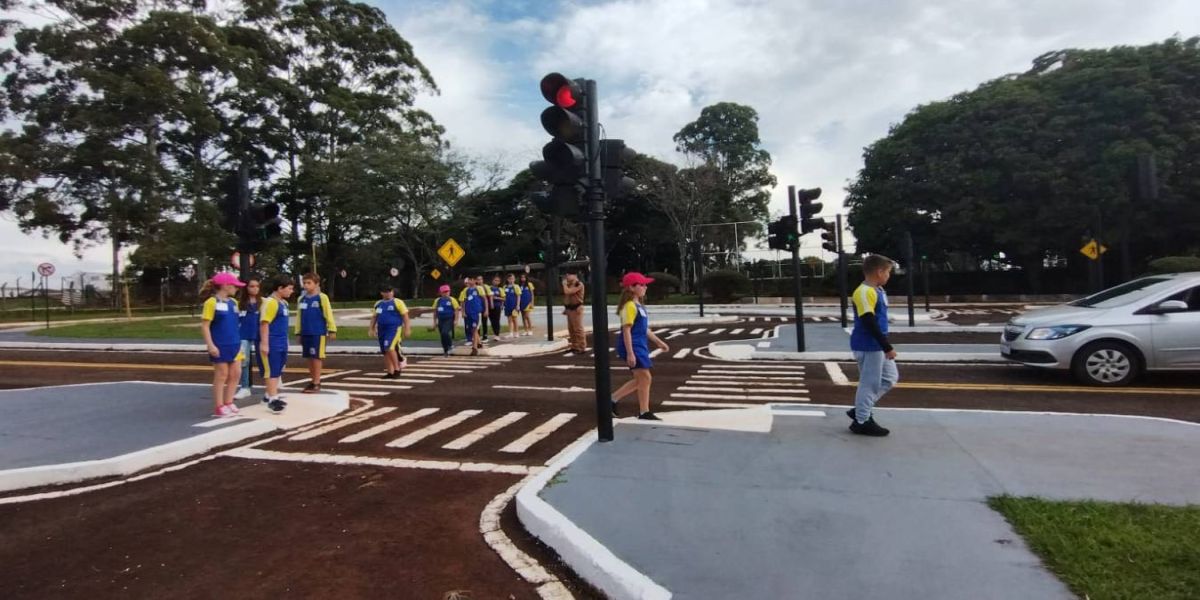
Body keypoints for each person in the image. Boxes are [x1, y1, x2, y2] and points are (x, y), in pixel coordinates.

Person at [848, 254, 898, 437]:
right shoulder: (863, 292)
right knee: (869, 384)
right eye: (888, 272)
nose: (889, 276)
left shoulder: (878, 290)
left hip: (876, 344)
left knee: (890, 378)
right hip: (868, 345)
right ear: (879, 271)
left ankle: (862, 408)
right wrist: (887, 347)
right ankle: (862, 421)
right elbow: (869, 321)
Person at [611, 272, 669, 420]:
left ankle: (613, 401)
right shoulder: (630, 306)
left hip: (639, 345)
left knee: (642, 379)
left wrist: (658, 342)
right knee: (645, 377)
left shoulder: (639, 306)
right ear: (631, 287)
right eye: (641, 285)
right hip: (633, 346)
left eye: (645, 285)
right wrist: (630, 353)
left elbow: (644, 328)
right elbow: (626, 330)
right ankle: (643, 411)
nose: (645, 287)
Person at [201, 272, 245, 417]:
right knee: (222, 374)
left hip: (235, 343)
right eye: (234, 286)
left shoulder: (233, 303)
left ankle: (229, 401)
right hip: (220, 343)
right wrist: (210, 345)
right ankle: (219, 406)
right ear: (225, 286)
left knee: (236, 373)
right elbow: (205, 326)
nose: (236, 289)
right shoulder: (211, 303)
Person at [259, 276, 295, 413]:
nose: (292, 291)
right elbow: (264, 323)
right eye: (289, 288)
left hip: (281, 341)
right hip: (272, 341)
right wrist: (264, 343)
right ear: (280, 288)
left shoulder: (283, 303)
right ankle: (273, 399)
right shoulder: (271, 303)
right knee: (271, 370)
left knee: (278, 369)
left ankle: (269, 395)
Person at [296, 272, 336, 393]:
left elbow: (328, 314)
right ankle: (312, 380)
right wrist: (298, 332)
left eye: (309, 283)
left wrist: (332, 329)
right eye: (304, 283)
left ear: (316, 284)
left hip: (317, 332)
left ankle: (317, 382)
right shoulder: (301, 299)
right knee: (309, 357)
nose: (306, 285)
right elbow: (299, 317)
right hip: (305, 332)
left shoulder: (321, 297)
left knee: (316, 357)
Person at [369, 284, 411, 379]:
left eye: (390, 291)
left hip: (394, 328)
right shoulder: (378, 304)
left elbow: (405, 316)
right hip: (381, 329)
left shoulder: (398, 302)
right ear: (381, 293)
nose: (388, 293)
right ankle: (390, 372)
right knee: (385, 351)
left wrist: (407, 328)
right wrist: (371, 328)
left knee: (390, 347)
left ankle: (397, 369)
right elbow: (374, 317)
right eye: (386, 291)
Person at [234, 277, 264, 400]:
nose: (255, 289)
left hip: (259, 334)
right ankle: (245, 387)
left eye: (257, 286)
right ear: (246, 288)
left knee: (264, 359)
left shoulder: (263, 302)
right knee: (244, 361)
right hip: (244, 334)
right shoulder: (239, 303)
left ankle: (273, 382)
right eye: (252, 286)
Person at [431, 284, 460, 357]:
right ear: (441, 293)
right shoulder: (437, 300)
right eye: (445, 292)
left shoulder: (452, 300)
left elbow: (456, 310)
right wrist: (434, 322)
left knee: (445, 332)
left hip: (449, 319)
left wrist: (456, 320)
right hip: (441, 320)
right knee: (442, 335)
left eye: (448, 291)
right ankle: (445, 350)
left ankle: (450, 344)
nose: (447, 293)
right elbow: (435, 312)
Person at [461, 276, 486, 356]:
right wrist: (463, 312)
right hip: (468, 312)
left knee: (475, 329)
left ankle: (474, 348)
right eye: (468, 280)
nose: (469, 281)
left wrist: (486, 310)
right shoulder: (466, 290)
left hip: (476, 312)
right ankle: (479, 343)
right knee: (472, 329)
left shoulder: (479, 288)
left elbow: (484, 299)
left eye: (471, 280)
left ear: (474, 281)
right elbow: (463, 301)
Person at [562, 271, 586, 353]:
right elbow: (567, 297)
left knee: (578, 328)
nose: (567, 276)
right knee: (571, 328)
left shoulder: (578, 284)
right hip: (570, 308)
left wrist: (564, 284)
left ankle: (581, 347)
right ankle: (574, 345)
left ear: (575, 275)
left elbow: (568, 292)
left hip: (577, 308)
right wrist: (566, 307)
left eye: (569, 274)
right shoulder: (569, 285)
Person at [488, 274, 505, 342]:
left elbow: (504, 298)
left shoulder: (500, 289)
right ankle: (495, 333)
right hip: (490, 307)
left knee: (497, 320)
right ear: (492, 281)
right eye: (495, 280)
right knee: (492, 321)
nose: (496, 282)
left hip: (497, 306)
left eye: (498, 281)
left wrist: (497, 298)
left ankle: (497, 334)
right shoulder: (489, 288)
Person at [503, 273, 520, 339]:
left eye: (512, 279)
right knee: (509, 319)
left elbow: (518, 296)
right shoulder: (505, 287)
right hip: (507, 305)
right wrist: (502, 304)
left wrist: (518, 305)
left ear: (514, 279)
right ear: (507, 279)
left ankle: (516, 332)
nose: (511, 280)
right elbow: (503, 296)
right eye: (510, 279)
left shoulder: (516, 286)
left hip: (514, 305)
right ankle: (511, 333)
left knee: (515, 319)